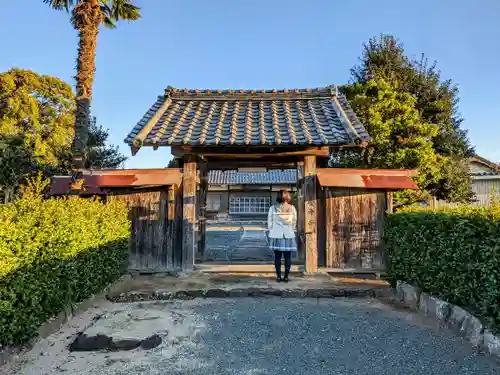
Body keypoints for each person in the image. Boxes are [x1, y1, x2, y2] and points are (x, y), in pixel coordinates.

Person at [267, 189, 297, 282]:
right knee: (288, 257)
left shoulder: (273, 208)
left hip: (277, 234)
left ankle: (278, 277)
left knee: (277, 257)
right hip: (288, 234)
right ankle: (286, 276)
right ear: (287, 196)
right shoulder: (292, 208)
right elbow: (294, 221)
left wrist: (271, 230)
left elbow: (270, 221)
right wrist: (291, 229)